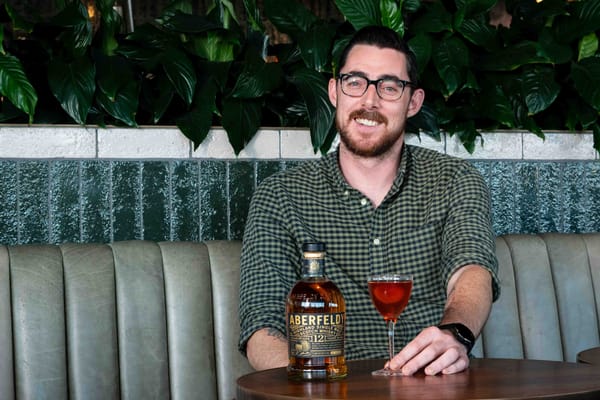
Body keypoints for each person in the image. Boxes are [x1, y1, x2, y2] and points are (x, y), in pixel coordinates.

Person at [238, 25, 500, 376]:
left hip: (431, 387)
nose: (369, 101)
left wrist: (455, 334)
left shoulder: (454, 181)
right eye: (355, 82)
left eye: (390, 87)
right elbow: (262, 329)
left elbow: (471, 268)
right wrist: (327, 387)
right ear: (334, 91)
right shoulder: (281, 197)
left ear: (414, 102)